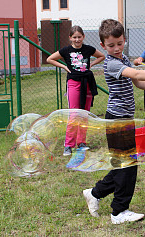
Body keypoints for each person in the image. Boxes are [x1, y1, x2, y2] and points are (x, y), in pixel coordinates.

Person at [82, 19, 145, 224]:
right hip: (116, 120)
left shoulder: (124, 58)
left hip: (125, 118)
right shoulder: (112, 63)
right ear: (103, 46)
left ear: (124, 40)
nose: (116, 48)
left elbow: (137, 82)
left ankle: (94, 193)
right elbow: (136, 73)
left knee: (124, 164)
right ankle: (118, 212)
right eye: (111, 45)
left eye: (119, 43)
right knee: (127, 164)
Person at [47, 26, 105, 156]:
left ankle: (81, 143)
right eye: (74, 37)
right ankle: (68, 145)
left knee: (84, 114)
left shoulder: (88, 49)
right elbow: (49, 59)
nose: (77, 39)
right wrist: (64, 66)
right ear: (70, 38)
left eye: (79, 37)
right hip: (73, 82)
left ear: (83, 37)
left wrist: (91, 64)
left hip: (87, 82)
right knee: (74, 114)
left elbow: (101, 56)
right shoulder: (66, 50)